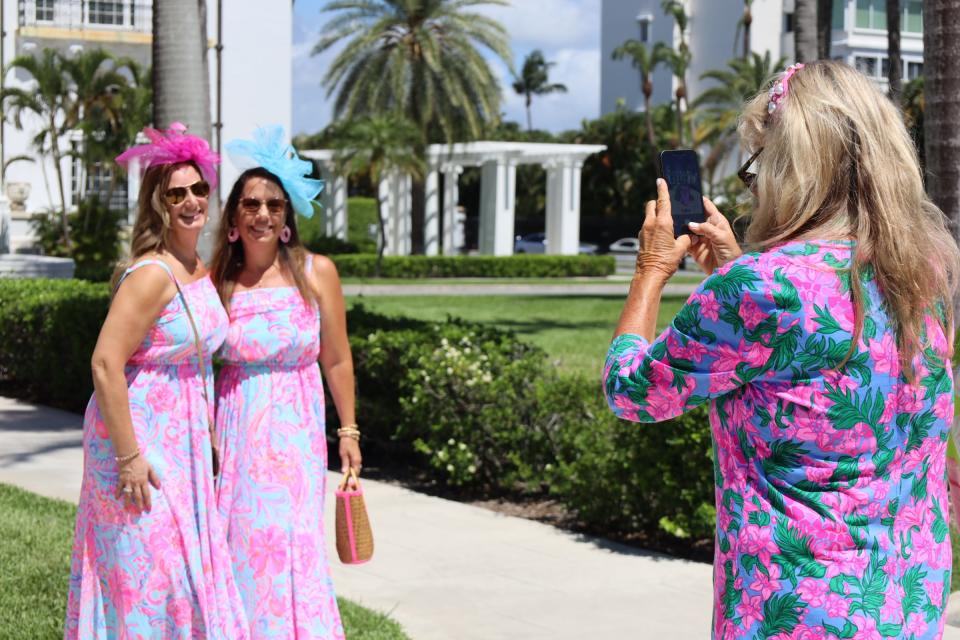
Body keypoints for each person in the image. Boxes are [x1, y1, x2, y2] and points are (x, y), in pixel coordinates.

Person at [604, 61, 960, 639]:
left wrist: (650, 270)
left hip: (796, 614)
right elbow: (819, 353)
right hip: (906, 603)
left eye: (757, 167)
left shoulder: (761, 289)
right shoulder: (925, 273)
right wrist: (734, 267)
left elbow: (633, 393)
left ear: (791, 171)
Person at [65, 124, 249, 638]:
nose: (191, 201)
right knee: (145, 571)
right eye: (176, 193)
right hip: (138, 440)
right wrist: (129, 458)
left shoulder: (196, 267)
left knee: (177, 575)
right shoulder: (152, 274)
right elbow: (105, 363)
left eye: (199, 189)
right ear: (159, 205)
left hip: (181, 444)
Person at [210, 126, 361, 639]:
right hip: (235, 435)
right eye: (251, 204)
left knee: (291, 543)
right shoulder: (216, 281)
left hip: (296, 434)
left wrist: (349, 432)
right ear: (233, 217)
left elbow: (337, 360)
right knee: (241, 543)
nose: (262, 215)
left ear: (287, 216)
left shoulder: (317, 272)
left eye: (274, 204)